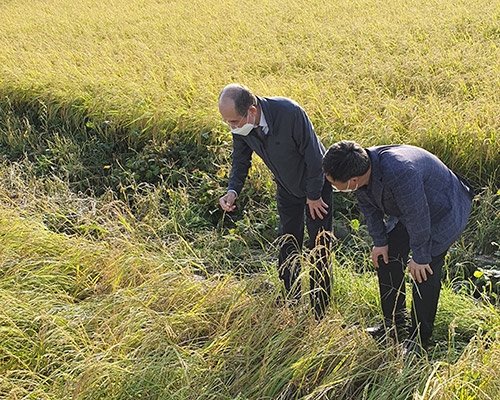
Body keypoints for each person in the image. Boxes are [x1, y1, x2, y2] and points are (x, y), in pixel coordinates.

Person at [322, 140, 474, 355]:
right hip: (410, 206)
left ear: (352, 180)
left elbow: (417, 215)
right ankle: (393, 325)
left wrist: (421, 256)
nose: (332, 187)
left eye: (333, 183)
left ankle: (419, 340)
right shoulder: (361, 168)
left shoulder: (399, 170)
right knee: (386, 259)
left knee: (424, 272)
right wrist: (380, 242)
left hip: (442, 208)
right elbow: (369, 207)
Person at [218, 83, 333, 318]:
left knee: (319, 248)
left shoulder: (289, 113)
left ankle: (319, 311)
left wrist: (313, 196)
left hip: (316, 188)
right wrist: (233, 190)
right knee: (287, 243)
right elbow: (240, 161)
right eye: (227, 122)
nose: (231, 127)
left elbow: (314, 157)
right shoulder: (242, 128)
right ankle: (291, 302)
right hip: (286, 188)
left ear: (251, 110)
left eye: (233, 121)